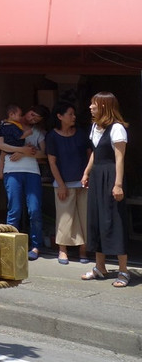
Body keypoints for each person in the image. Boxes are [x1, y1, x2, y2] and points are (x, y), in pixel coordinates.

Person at [80, 92, 131, 288]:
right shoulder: (95, 127)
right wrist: (86, 172)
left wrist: (118, 184)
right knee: (96, 220)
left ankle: (124, 271)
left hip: (111, 175)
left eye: (95, 104)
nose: (91, 107)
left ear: (105, 106)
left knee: (115, 221)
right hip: (97, 175)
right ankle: (100, 267)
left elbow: (120, 158)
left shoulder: (117, 129)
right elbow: (95, 152)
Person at [0, 104, 47, 260]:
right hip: (11, 171)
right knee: (14, 209)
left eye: (37, 117)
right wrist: (20, 150)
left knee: (35, 209)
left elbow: (44, 153)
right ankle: (10, 245)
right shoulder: (8, 126)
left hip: (32, 172)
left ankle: (36, 245)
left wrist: (26, 154)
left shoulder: (38, 133)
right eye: (32, 113)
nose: (32, 118)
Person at [45, 101, 90, 264]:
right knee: (65, 218)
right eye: (70, 114)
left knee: (84, 217)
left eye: (73, 114)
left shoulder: (81, 133)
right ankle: (62, 250)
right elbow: (52, 162)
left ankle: (83, 250)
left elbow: (89, 154)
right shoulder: (52, 136)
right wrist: (61, 184)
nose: (73, 117)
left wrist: (87, 174)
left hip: (83, 182)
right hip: (62, 183)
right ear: (60, 116)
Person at [0, 104, 32, 180]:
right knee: (4, 159)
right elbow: (19, 136)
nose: (21, 117)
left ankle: (1, 173)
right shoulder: (14, 126)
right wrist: (28, 133)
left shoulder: (3, 124)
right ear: (11, 115)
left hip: (5, 146)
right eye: (19, 115)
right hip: (16, 145)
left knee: (1, 159)